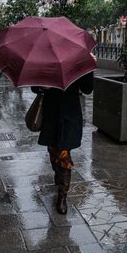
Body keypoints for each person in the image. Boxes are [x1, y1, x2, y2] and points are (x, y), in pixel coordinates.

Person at [32, 71, 94, 215]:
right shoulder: (44, 60)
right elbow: (34, 88)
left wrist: (89, 70)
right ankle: (59, 176)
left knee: (64, 154)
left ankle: (62, 195)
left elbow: (87, 89)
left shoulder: (77, 60)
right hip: (50, 115)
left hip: (70, 115)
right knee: (54, 152)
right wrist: (42, 87)